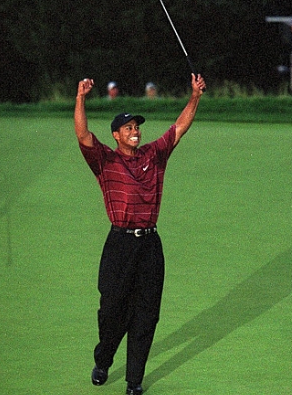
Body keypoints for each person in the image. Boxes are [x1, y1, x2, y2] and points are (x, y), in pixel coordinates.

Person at [75, 73, 206, 395]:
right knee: (111, 312)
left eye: (137, 127)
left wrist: (195, 96)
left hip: (150, 244)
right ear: (116, 135)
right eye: (128, 128)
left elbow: (179, 127)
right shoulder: (105, 160)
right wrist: (80, 98)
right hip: (119, 243)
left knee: (147, 315)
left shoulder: (154, 155)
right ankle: (104, 359)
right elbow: (83, 135)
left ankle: (135, 381)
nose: (135, 132)